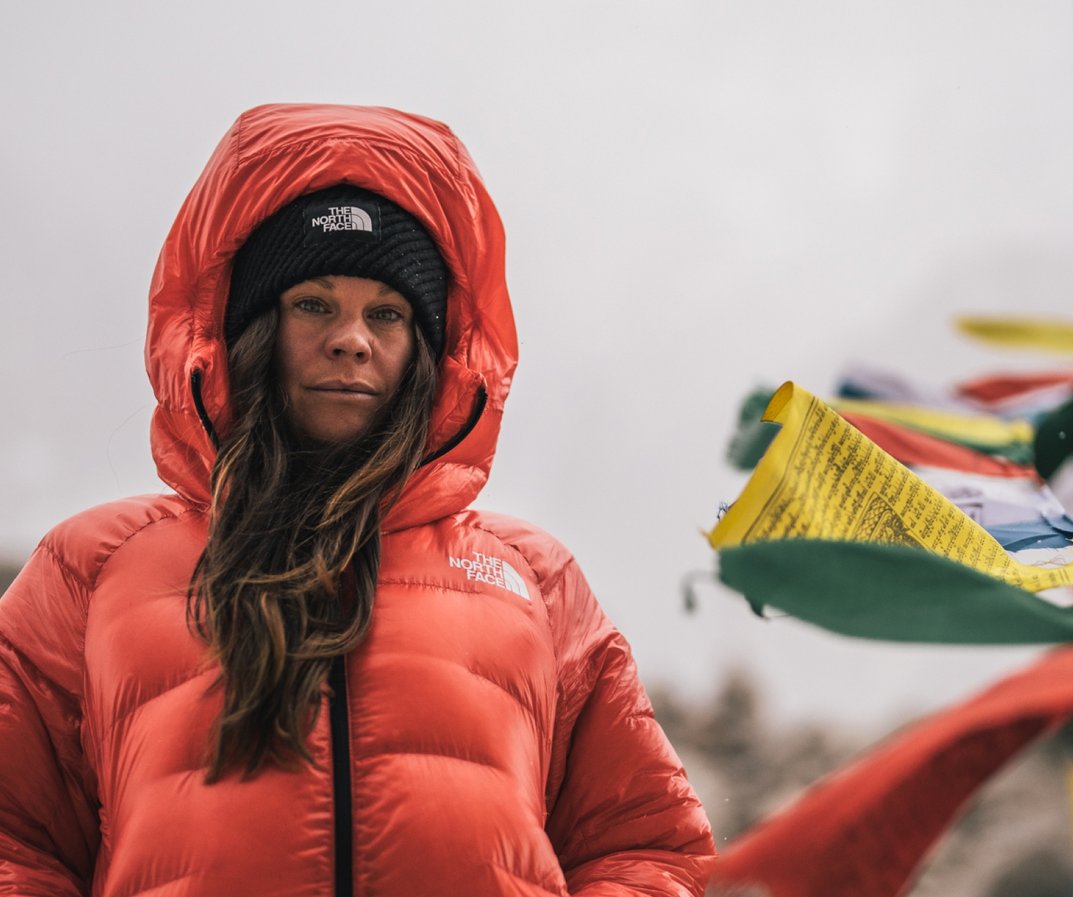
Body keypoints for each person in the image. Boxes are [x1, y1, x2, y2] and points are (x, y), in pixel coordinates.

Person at [0, 104, 714, 897]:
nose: (352, 339)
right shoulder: (93, 571)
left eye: (387, 312)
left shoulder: (535, 584)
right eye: (314, 303)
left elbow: (645, 842)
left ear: (427, 353)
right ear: (249, 330)